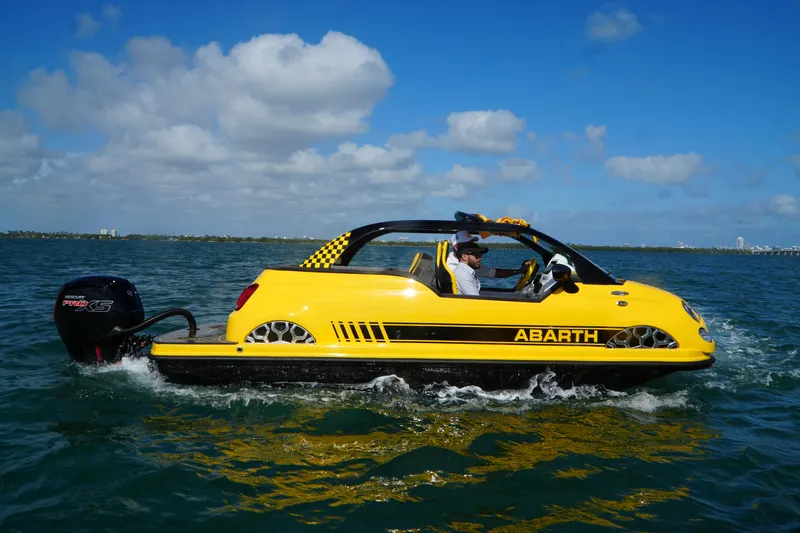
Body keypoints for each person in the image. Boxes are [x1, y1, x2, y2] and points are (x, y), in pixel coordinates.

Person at [447, 230, 530, 279]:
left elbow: (493, 272)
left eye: (472, 243)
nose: (473, 246)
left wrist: (519, 271)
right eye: (468, 244)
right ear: (457, 247)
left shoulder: (468, 264)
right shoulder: (453, 268)